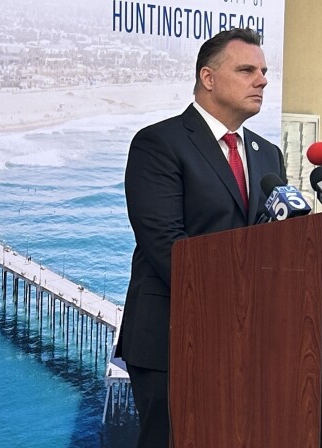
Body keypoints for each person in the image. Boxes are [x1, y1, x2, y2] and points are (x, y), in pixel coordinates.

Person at [117, 28, 287, 448]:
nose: (262, 80)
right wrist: (242, 304)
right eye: (246, 70)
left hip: (248, 341)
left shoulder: (268, 155)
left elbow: (276, 243)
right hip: (173, 340)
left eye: (263, 71)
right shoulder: (159, 143)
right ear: (208, 78)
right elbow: (167, 247)